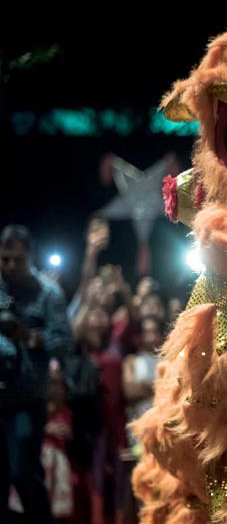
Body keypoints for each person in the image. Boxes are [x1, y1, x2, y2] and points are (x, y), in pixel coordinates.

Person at [1, 224, 72, 524]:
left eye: (17, 259)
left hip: (27, 400)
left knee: (23, 472)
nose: (10, 266)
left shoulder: (48, 292)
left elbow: (64, 342)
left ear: (30, 256)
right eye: (4, 259)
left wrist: (28, 336)